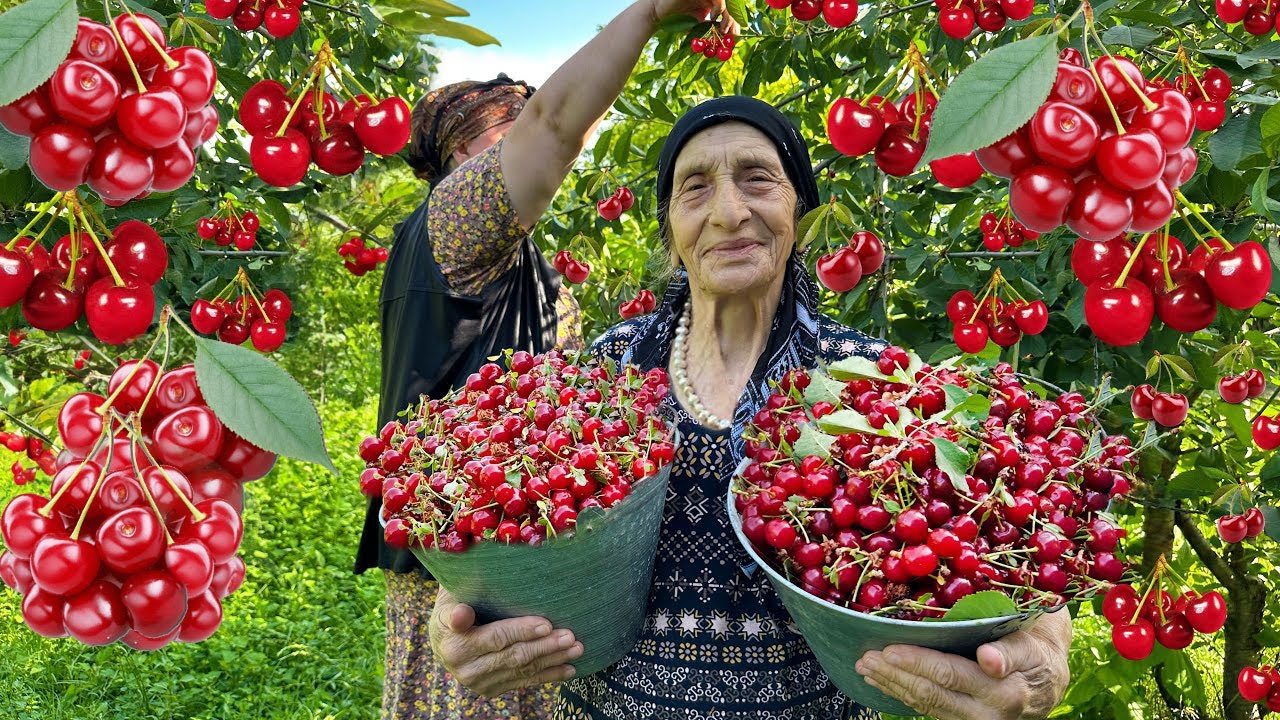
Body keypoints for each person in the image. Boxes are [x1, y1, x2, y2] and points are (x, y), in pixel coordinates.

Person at [427, 96, 1074, 720]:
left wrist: (1040, 655)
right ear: (671, 226)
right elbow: (492, 521)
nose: (730, 211)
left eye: (758, 179)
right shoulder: (609, 367)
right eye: (696, 187)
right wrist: (457, 618)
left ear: (800, 209)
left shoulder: (874, 381)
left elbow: (1006, 532)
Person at [354, 2, 739, 718]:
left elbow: (567, 128)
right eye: (509, 130)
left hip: (519, 540)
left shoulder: (497, 255)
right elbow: (556, 129)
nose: (541, 153)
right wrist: (651, 13)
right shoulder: (455, 224)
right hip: (483, 570)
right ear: (466, 158)